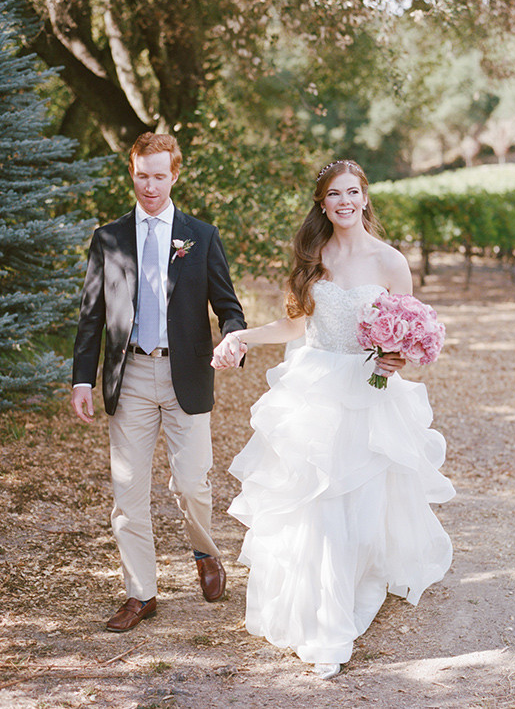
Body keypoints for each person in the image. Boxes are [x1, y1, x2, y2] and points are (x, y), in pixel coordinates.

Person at [212, 159, 455, 679]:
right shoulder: (312, 257)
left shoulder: (390, 262)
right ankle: (325, 622)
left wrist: (396, 358)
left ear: (365, 198)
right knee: (316, 507)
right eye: (333, 194)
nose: (344, 201)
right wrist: (240, 336)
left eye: (352, 192)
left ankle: (345, 597)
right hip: (316, 390)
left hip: (368, 393)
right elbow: (294, 325)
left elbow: (408, 330)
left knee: (358, 510)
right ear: (322, 204)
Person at [72, 132, 246, 632]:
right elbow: (91, 314)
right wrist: (82, 379)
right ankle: (140, 593)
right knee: (127, 490)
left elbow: (228, 306)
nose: (150, 186)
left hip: (185, 373)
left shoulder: (201, 236)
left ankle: (205, 552)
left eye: (160, 176)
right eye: (142, 175)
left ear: (175, 175)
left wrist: (234, 338)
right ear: (132, 173)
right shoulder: (108, 238)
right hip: (129, 375)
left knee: (192, 483)